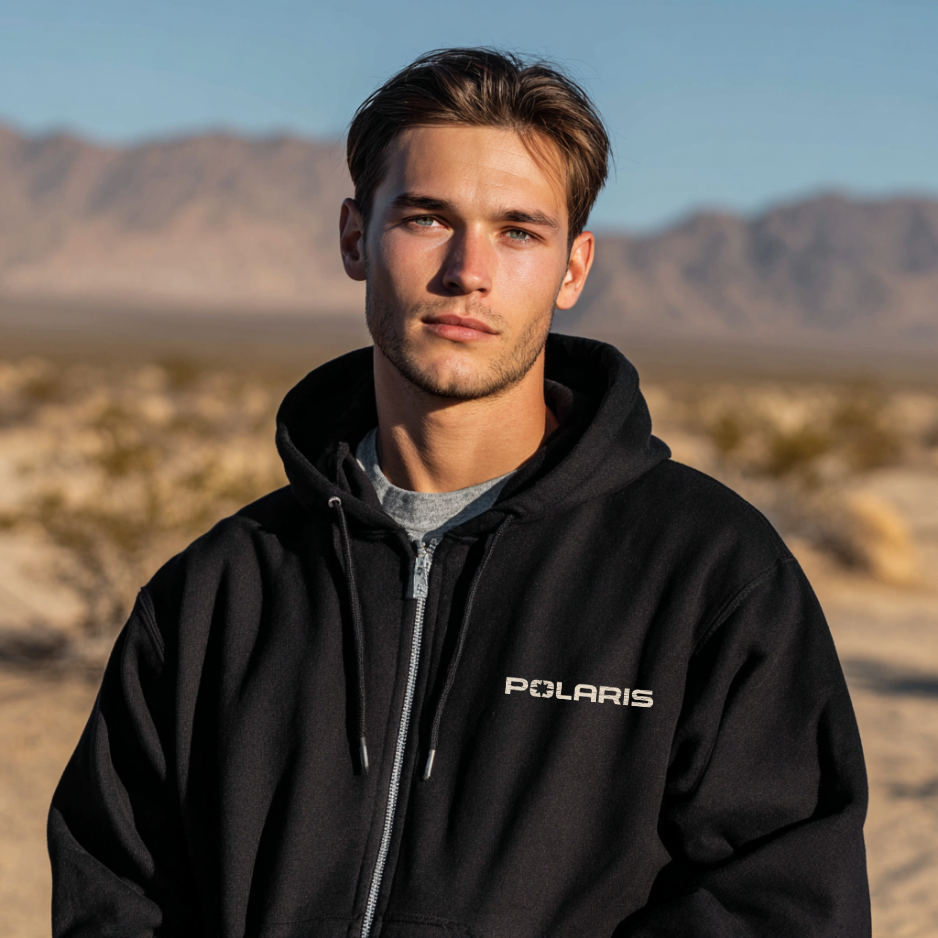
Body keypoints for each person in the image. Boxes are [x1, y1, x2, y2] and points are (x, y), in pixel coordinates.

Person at [49, 48, 871, 937]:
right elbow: (116, 894)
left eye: (519, 231)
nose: (467, 270)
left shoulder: (709, 574)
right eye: (427, 218)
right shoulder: (221, 591)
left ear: (573, 268)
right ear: (355, 238)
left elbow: (782, 904)